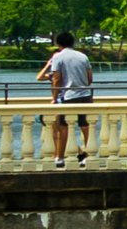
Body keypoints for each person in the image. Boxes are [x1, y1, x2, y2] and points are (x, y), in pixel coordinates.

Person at [38, 29, 97, 160]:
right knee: (85, 125)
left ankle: (60, 157)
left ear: (58, 43)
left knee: (62, 126)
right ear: (72, 42)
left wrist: (54, 97)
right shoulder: (83, 56)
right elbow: (89, 79)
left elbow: (56, 79)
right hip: (86, 95)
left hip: (69, 96)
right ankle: (89, 156)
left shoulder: (58, 57)